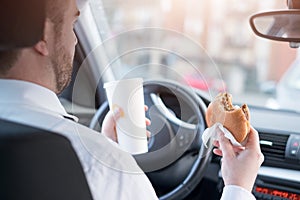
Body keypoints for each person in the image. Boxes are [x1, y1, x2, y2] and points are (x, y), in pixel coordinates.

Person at [0, 0, 263, 199]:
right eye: (72, 24)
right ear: (43, 36)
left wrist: (108, 152)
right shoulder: (103, 166)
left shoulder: (100, 163)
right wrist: (237, 187)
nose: (75, 38)